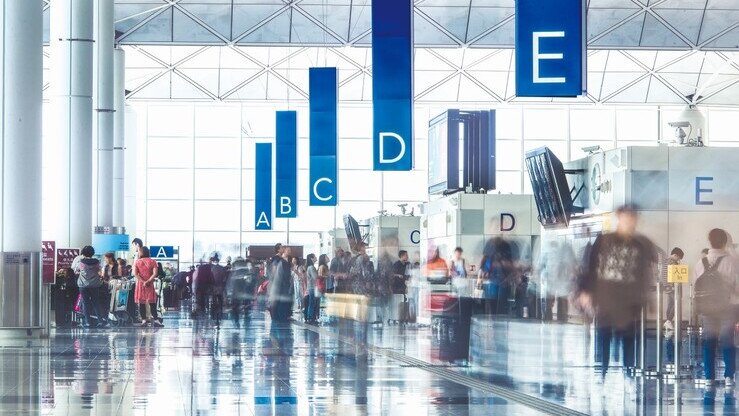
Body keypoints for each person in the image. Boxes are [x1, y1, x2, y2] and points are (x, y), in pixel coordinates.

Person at [577, 205, 657, 378]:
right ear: (619, 217)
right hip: (607, 296)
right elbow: (590, 266)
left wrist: (648, 298)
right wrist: (585, 291)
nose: (630, 221)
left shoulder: (641, 244)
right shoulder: (604, 240)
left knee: (628, 337)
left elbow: (645, 272)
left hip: (630, 299)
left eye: (633, 217)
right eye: (627, 217)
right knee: (605, 334)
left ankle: (628, 375)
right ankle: (602, 374)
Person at [694, 228, 739, 386]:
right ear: (725, 242)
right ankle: (728, 377)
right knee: (727, 340)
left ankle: (709, 377)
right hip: (728, 305)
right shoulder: (732, 261)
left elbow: (696, 286)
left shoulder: (701, 262)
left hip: (708, 307)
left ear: (709, 241)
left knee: (709, 341)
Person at [76, 246, 109, 328]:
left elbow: (76, 270)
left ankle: (88, 322)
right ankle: (100, 321)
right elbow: (98, 270)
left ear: (83, 253)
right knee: (96, 303)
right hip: (95, 285)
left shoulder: (81, 262)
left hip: (83, 285)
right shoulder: (96, 262)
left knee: (85, 303)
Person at [134, 247, 162, 327]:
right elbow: (155, 273)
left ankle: (144, 321)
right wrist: (148, 281)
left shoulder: (137, 262)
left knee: (141, 303)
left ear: (141, 252)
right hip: (149, 284)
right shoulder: (153, 261)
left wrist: (143, 281)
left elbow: (136, 274)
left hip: (141, 284)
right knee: (152, 303)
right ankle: (156, 320)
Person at [269, 246, 294, 323]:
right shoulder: (280, 261)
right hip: (281, 285)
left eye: (290, 250)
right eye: (288, 250)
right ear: (283, 251)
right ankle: (281, 317)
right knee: (280, 301)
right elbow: (277, 272)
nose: (290, 251)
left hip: (283, 285)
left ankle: (283, 316)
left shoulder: (287, 261)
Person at [661, 247, 684, 331]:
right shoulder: (672, 263)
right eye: (678, 258)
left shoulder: (665, 261)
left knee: (670, 304)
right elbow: (675, 276)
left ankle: (668, 322)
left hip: (666, 286)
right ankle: (669, 321)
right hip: (672, 286)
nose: (678, 260)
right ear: (675, 255)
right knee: (677, 303)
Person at [304, 254, 318, 323]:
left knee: (311, 302)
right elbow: (315, 277)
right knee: (312, 303)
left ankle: (310, 316)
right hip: (312, 287)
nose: (316, 257)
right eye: (314, 256)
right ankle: (310, 317)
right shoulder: (311, 267)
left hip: (310, 287)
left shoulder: (309, 267)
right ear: (312, 258)